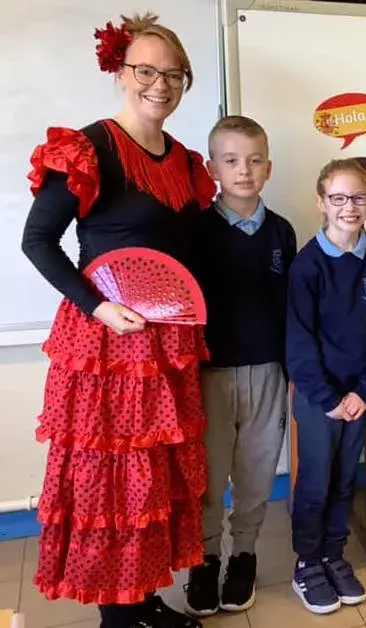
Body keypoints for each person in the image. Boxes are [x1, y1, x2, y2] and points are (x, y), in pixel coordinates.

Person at [20, 13, 217, 628]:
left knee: (154, 480)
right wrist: (98, 307)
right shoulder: (89, 147)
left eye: (174, 74)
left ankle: (146, 600)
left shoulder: (186, 160)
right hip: (107, 346)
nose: (160, 84)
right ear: (121, 72)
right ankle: (117, 616)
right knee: (114, 481)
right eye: (146, 71)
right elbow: (38, 241)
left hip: (169, 344)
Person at [184, 116, 297, 617]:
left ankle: (244, 555)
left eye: (253, 161)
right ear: (212, 168)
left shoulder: (282, 232)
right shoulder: (193, 231)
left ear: (268, 168)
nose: (243, 171)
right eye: (230, 161)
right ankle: (206, 559)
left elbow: (290, 307)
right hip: (209, 375)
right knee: (208, 477)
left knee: (254, 473)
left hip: (268, 372)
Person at [286, 159, 366, 615]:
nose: (349, 207)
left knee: (345, 480)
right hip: (320, 399)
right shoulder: (307, 266)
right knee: (315, 482)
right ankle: (307, 563)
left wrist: (364, 392)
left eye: (358, 198)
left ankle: (334, 554)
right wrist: (330, 398)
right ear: (321, 202)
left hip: (358, 397)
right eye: (338, 198)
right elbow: (298, 340)